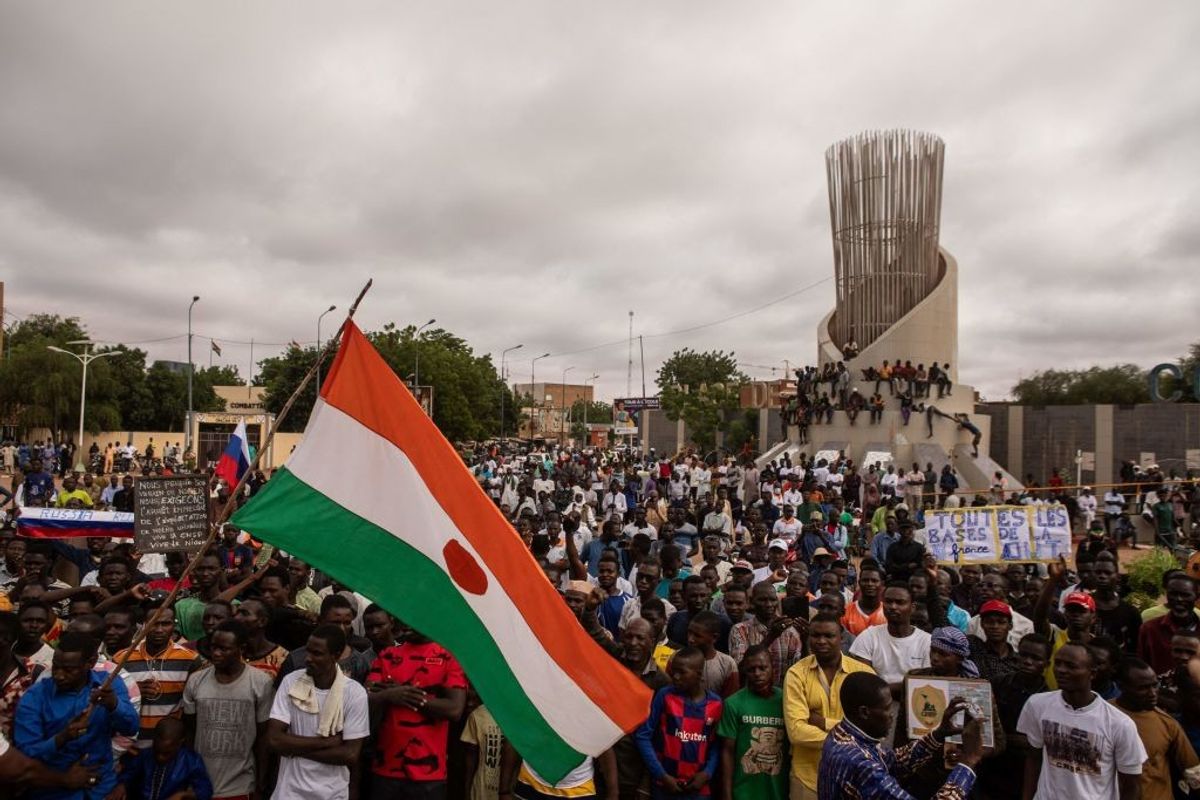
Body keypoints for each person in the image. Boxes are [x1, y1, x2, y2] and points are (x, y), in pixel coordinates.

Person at [816, 672, 984, 800]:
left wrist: (939, 734)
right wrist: (968, 762)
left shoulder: (843, 733)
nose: (892, 715)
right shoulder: (860, 763)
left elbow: (895, 761)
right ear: (864, 712)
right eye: (887, 708)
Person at [14, 630, 140, 800]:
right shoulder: (35, 697)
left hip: (102, 789)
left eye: (68, 670)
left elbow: (131, 727)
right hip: (53, 792)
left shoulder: (109, 684)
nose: (59, 675)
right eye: (56, 667)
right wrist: (62, 737)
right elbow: (26, 754)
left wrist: (114, 705)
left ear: (91, 662)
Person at [1017, 642, 1145, 800]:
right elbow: (1034, 758)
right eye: (1058, 664)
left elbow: (1132, 785)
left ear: (1092, 673)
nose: (1061, 670)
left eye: (1071, 666)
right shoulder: (1037, 705)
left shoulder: (1119, 724)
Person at [366, 618, 467, 799]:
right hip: (385, 768)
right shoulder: (387, 655)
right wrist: (390, 695)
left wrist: (405, 695)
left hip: (429, 773)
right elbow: (365, 698)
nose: (406, 622)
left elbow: (454, 709)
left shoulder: (447, 657)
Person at [266, 625, 370, 800]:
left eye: (317, 654)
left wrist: (292, 749)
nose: (308, 658)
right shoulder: (291, 681)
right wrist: (327, 742)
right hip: (289, 792)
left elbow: (350, 754)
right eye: (308, 651)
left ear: (336, 655)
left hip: (332, 794)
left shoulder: (354, 692)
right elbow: (274, 740)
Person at [783, 613, 875, 800]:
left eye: (829, 636)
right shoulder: (796, 674)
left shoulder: (864, 673)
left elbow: (872, 730)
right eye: (815, 636)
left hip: (854, 778)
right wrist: (851, 738)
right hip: (808, 779)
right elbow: (796, 732)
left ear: (841, 638)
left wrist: (823, 722)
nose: (821, 641)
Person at [182, 620, 274, 800]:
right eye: (213, 647)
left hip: (241, 786)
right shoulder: (196, 681)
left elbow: (264, 738)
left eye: (224, 649)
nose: (216, 653)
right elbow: (190, 731)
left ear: (241, 649)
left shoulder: (260, 683)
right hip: (201, 784)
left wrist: (261, 784)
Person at [635, 647, 722, 799]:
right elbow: (643, 736)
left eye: (682, 672)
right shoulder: (665, 695)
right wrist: (661, 775)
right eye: (674, 671)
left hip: (699, 790)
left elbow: (717, 745)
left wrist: (707, 773)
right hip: (665, 786)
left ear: (699, 675)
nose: (675, 676)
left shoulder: (716, 704)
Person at [114, 605, 203, 748]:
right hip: (130, 747)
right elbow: (113, 703)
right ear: (143, 624)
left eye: (165, 624)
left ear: (174, 626)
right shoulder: (121, 659)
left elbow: (192, 709)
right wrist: (134, 692)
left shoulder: (190, 660)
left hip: (169, 748)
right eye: (154, 623)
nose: (159, 630)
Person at [1112, 656, 1200, 800]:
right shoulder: (1104, 715)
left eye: (1155, 685)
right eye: (1143, 688)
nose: (1153, 693)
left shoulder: (1167, 724)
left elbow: (1193, 773)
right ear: (1122, 686)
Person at [717, 646, 788, 800]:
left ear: (772, 667)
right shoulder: (733, 703)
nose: (757, 674)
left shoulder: (787, 701)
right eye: (751, 669)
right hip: (744, 791)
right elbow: (727, 752)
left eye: (762, 668)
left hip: (779, 790)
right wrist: (727, 795)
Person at [118, 716, 214, 800]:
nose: (160, 757)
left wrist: (183, 795)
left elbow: (205, 791)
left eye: (166, 753)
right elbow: (129, 773)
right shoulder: (145, 755)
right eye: (157, 751)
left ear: (179, 743)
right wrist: (122, 785)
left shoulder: (191, 761)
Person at [729, 582, 804, 687]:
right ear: (752, 602)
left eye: (773, 600)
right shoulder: (740, 630)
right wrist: (771, 636)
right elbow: (740, 669)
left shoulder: (790, 632)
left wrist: (806, 639)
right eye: (762, 600)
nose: (769, 604)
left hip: (782, 696)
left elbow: (799, 667)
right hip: (751, 695)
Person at [1139, 572, 1200, 674]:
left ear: (1197, 597)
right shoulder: (1149, 629)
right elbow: (1142, 666)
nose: (1179, 599)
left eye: (1185, 595)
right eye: (1173, 594)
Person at [686, 611, 738, 698]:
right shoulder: (677, 658)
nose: (690, 639)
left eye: (697, 636)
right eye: (689, 633)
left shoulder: (727, 664)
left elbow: (730, 701)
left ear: (714, 637)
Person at [461, 696, 504, 800]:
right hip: (482, 792)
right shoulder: (479, 715)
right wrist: (467, 792)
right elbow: (470, 756)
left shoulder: (520, 716)